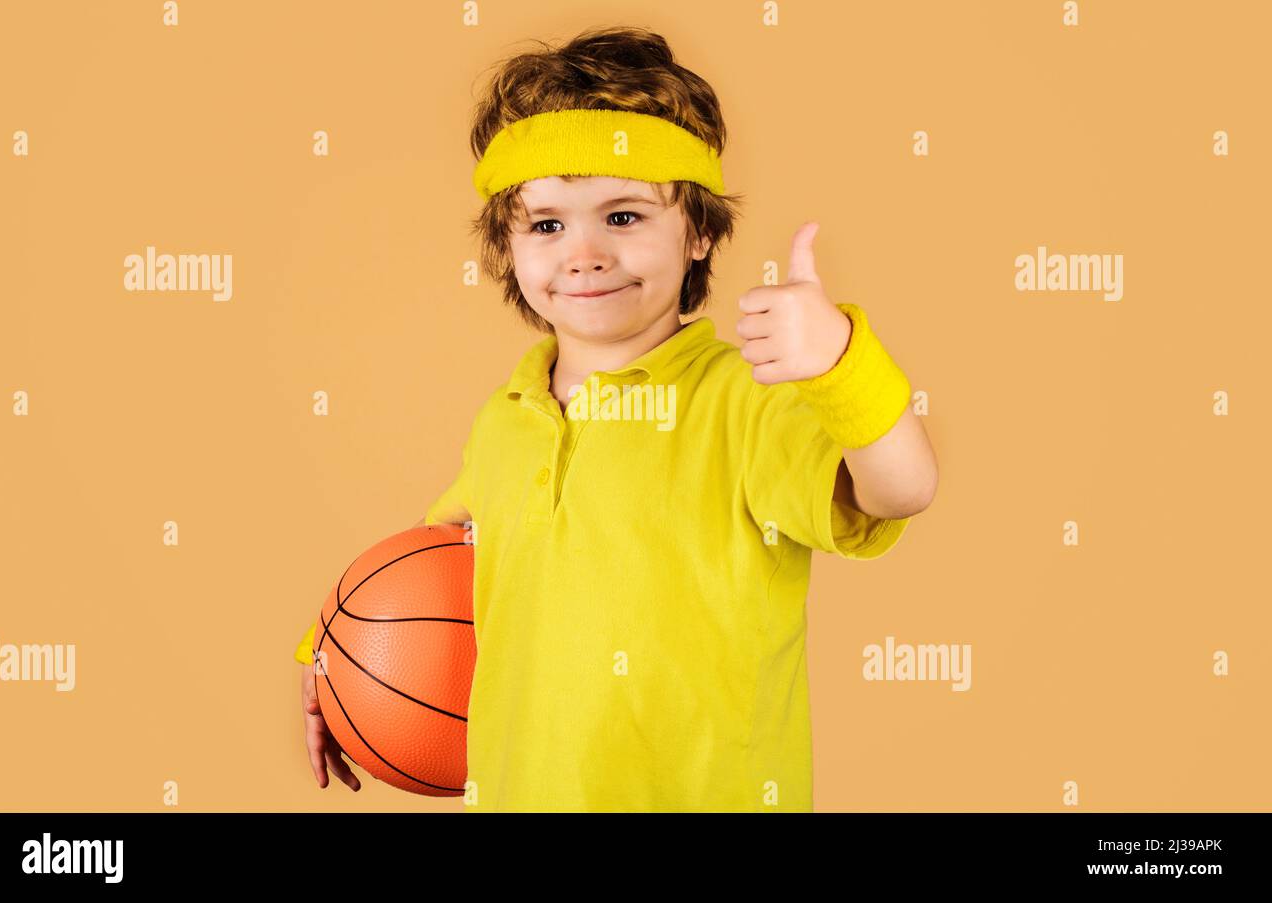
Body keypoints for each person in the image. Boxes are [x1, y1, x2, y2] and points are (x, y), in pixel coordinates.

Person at [296, 25, 938, 811]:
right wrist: (332, 659)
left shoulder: (745, 402)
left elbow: (901, 488)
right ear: (507, 243)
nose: (584, 253)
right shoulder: (506, 419)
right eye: (547, 224)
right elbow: (431, 564)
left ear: (700, 230)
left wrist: (842, 363)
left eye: (624, 217)